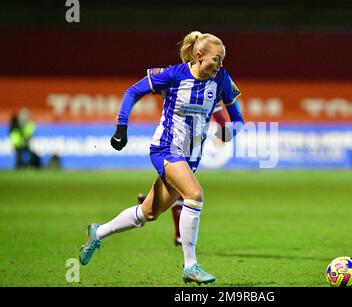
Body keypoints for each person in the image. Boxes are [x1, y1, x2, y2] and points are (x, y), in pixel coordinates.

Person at [79, 31, 244, 285]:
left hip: (190, 157)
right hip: (165, 148)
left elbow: (237, 120)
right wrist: (122, 126)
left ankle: (97, 233)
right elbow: (132, 91)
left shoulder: (221, 79)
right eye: (216, 59)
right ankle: (191, 266)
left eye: (222, 60)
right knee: (195, 194)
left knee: (148, 213)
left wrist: (229, 132)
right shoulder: (174, 74)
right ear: (199, 56)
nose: (220, 65)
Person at [137, 105, 228, 246]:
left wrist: (224, 136)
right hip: (174, 143)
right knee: (183, 189)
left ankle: (144, 209)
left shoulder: (211, 86)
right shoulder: (185, 86)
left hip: (193, 146)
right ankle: (180, 237)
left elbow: (221, 116)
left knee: (172, 190)